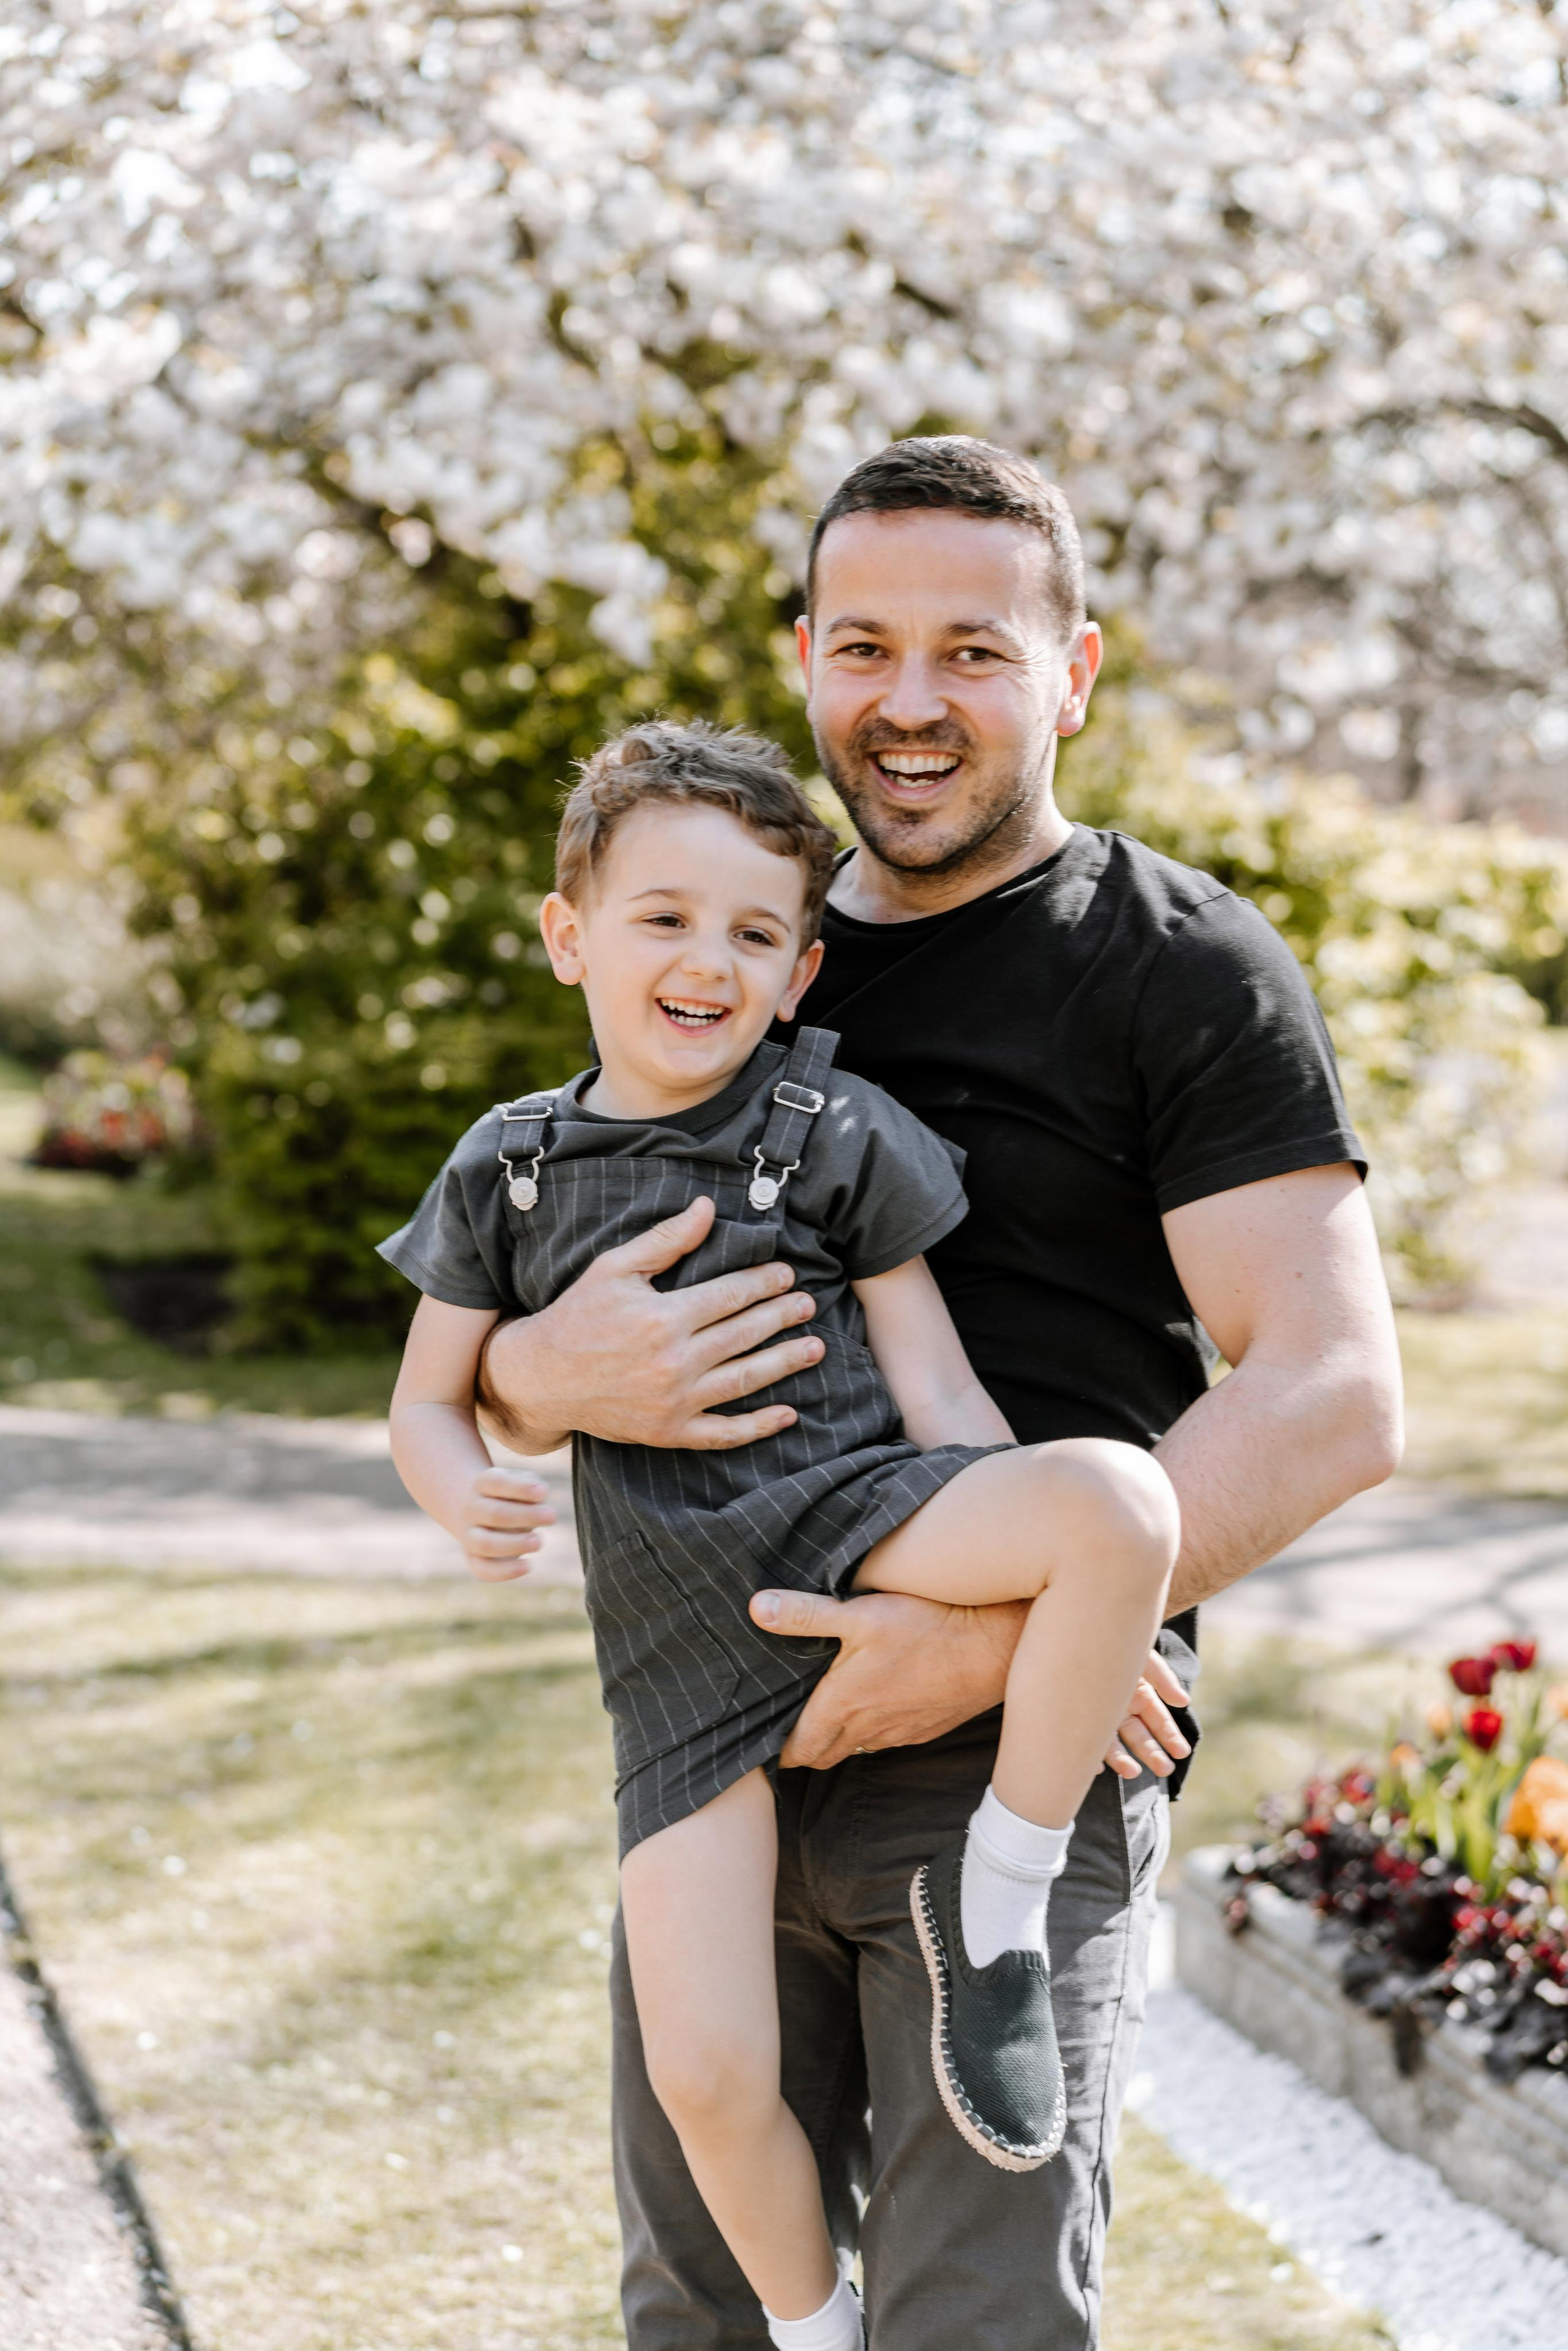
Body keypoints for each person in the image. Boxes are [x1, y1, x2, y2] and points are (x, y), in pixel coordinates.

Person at [469, 439, 1404, 2349]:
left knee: (975, 2321)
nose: (908, 703)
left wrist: (984, 1651)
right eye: (866, 645)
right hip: (708, 1751)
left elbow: (1329, 1392)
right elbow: (515, 1264)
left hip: (1006, 1780)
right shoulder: (720, 934)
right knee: (711, 2303)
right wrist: (525, 1371)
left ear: (1071, 675)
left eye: (973, 652)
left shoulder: (1180, 967)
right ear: (806, 654)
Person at [380, 721, 1183, 2351]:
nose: (706, 960)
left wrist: (1051, 1603)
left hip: (864, 1521)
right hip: (686, 1650)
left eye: (753, 933)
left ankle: (1009, 1904)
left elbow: (941, 1387)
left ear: (801, 969)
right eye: (663, 917)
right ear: (568, 936)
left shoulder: (835, 1133)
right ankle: (812, 2327)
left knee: (1118, 1501)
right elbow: (429, 1397)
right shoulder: (512, 1172)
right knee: (705, 2075)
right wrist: (458, 1479)